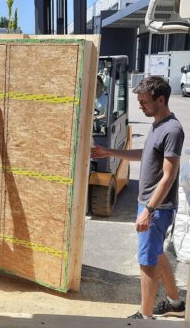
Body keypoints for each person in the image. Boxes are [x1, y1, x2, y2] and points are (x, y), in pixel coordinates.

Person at [91, 76, 185, 319]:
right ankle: (175, 302)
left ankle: (145, 317)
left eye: (144, 102)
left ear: (161, 99)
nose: (140, 106)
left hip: (157, 206)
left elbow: (168, 176)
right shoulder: (157, 124)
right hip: (149, 203)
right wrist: (109, 151)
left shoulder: (172, 130)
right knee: (156, 252)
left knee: (147, 261)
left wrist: (149, 210)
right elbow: (145, 153)